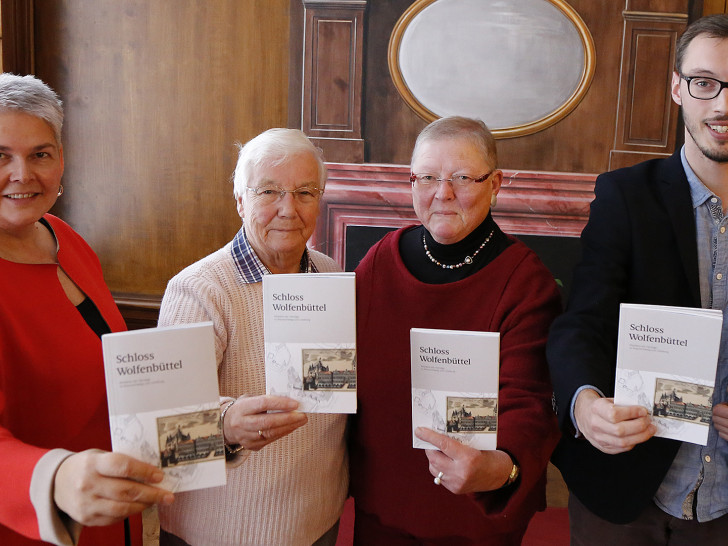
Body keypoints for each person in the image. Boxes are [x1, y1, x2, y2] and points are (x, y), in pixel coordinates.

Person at [547, 13, 728, 545]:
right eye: (704, 83)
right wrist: (584, 403)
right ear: (678, 87)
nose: (722, 104)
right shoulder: (627, 197)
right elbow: (583, 321)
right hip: (626, 491)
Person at [350, 116, 562, 544]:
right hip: (381, 505)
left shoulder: (525, 282)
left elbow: (530, 402)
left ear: (496, 183)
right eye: (427, 177)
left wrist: (501, 466)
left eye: (462, 178)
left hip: (473, 517)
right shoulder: (380, 261)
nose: (442, 194)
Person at [0, 73, 174, 546]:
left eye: (40, 154)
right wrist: (52, 479)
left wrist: (216, 425)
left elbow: (116, 378)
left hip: (115, 511)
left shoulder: (65, 237)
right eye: (2, 156)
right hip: (36, 524)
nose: (23, 174)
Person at [157, 128, 348, 546]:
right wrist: (226, 424)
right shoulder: (200, 289)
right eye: (268, 192)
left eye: (305, 192)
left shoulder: (331, 275)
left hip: (318, 520)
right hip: (223, 533)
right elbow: (164, 430)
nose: (288, 209)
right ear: (241, 200)